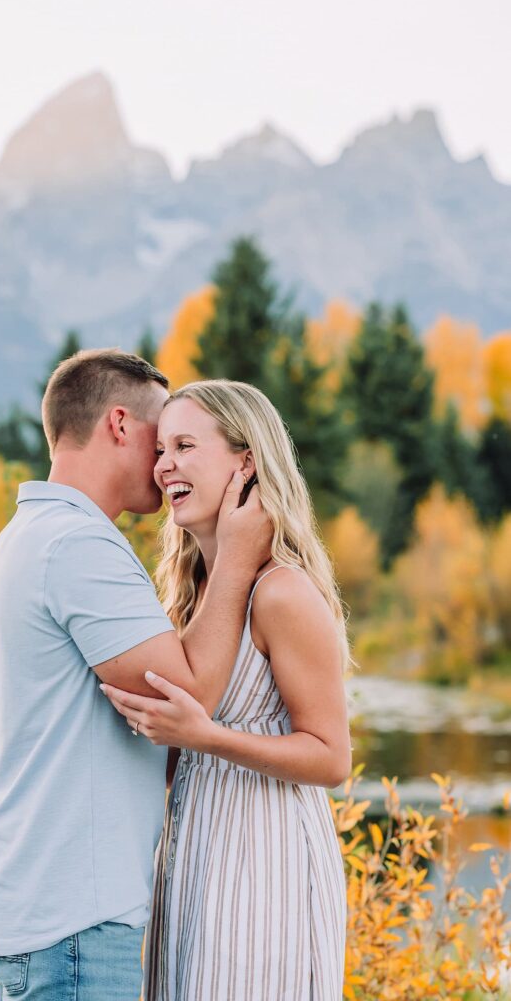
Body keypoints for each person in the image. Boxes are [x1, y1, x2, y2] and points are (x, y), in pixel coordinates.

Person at [0, 350, 271, 1001]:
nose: (165, 465)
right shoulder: (79, 546)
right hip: (71, 914)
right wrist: (238, 559)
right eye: (161, 440)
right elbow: (189, 698)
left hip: (39, 902)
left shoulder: (19, 542)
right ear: (120, 425)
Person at [101, 380, 352, 1001]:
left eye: (185, 446)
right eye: (160, 448)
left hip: (264, 862)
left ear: (245, 461)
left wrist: (204, 737)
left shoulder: (282, 592)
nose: (164, 466)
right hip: (194, 855)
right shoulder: (190, 595)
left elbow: (331, 758)